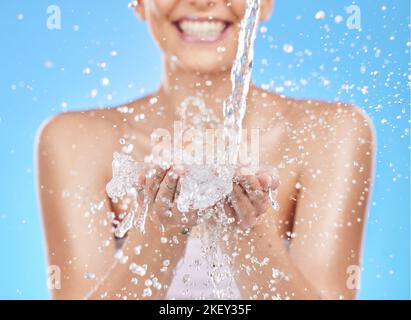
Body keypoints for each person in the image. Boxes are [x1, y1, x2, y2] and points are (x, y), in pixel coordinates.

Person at [36, 0, 375, 300]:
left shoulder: (330, 132)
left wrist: (248, 232)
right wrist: (161, 233)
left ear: (267, 2)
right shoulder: (76, 140)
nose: (202, 1)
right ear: (138, 3)